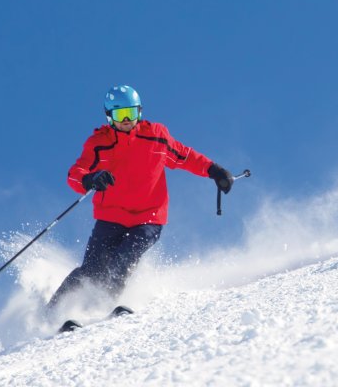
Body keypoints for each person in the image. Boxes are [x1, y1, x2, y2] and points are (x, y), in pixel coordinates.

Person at [46, 85, 233, 312]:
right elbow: (75, 175)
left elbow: (185, 156)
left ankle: (100, 308)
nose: (126, 120)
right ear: (109, 117)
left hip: (149, 217)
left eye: (131, 113)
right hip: (111, 217)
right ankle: (52, 313)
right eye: (119, 114)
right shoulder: (99, 144)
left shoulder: (155, 136)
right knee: (92, 270)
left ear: (139, 112)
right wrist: (90, 180)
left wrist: (214, 170)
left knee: (124, 259)